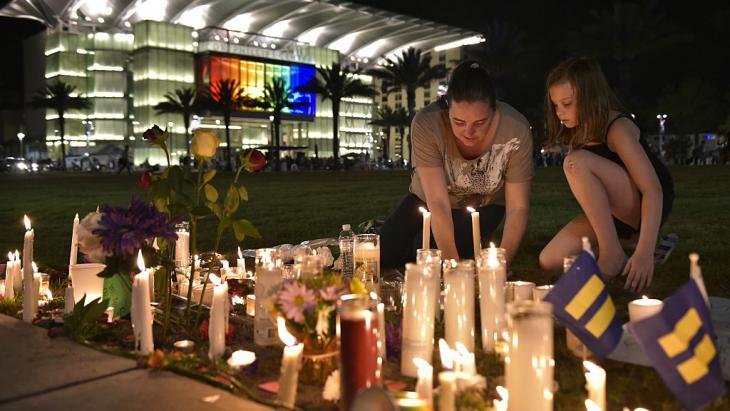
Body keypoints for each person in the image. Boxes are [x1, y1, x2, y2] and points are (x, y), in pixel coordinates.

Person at [538, 57, 674, 292]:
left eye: (567, 103)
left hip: (645, 204)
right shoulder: (577, 131)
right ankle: (626, 243)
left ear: (590, 97)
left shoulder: (617, 128)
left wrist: (643, 256)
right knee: (549, 260)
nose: (560, 112)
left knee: (575, 163)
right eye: (556, 105)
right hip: (613, 213)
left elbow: (653, 189)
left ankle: (616, 255)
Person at [380, 60, 534, 267]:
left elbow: (518, 207)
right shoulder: (428, 123)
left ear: (494, 109)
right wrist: (453, 266)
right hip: (428, 200)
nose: (469, 133)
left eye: (480, 123)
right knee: (382, 254)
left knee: (422, 252)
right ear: (446, 108)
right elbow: (437, 202)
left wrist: (502, 264)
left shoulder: (515, 129)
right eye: (459, 122)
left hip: (483, 205)